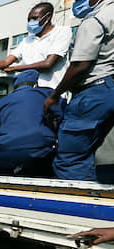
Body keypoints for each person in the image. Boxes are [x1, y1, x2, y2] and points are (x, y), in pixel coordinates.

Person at [47, 0, 114, 182]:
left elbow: (80, 65)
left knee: (70, 161)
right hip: (108, 90)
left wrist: (54, 95)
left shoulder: (95, 20)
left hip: (94, 91)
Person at [0, 70, 66, 179]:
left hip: (5, 155)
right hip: (39, 153)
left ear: (15, 87)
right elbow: (63, 117)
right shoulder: (46, 94)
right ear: (36, 84)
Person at [0, 2, 72, 90]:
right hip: (29, 91)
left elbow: (48, 64)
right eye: (29, 19)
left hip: (52, 91)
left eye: (35, 18)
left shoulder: (62, 32)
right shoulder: (27, 40)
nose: (31, 22)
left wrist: (16, 68)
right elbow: (6, 62)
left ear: (48, 17)